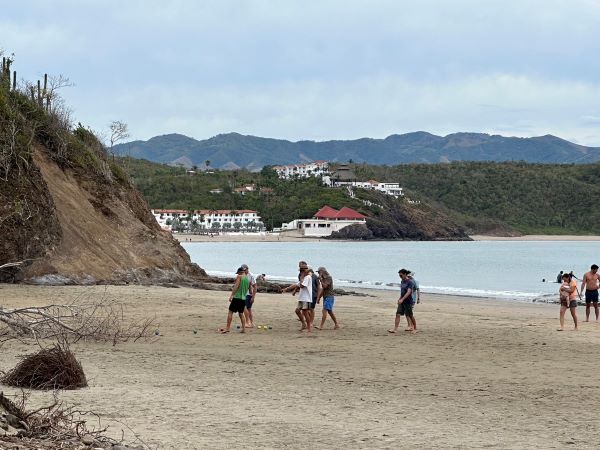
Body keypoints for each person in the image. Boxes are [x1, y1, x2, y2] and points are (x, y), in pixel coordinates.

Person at [282, 261, 313, 332]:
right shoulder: (304, 278)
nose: (300, 273)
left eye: (301, 272)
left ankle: (309, 328)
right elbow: (296, 284)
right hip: (302, 298)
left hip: (306, 298)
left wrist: (302, 278)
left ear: (303, 271)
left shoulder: (307, 277)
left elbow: (302, 286)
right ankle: (303, 324)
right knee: (297, 311)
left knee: (305, 312)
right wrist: (286, 289)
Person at [221, 267, 249, 334]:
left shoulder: (239, 277)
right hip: (243, 298)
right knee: (241, 314)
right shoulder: (247, 278)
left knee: (230, 312)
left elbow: (236, 286)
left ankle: (227, 328)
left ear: (239, 272)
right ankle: (244, 329)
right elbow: (248, 288)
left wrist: (231, 295)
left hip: (237, 297)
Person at [388, 269, 417, 334]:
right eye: (399, 275)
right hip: (402, 301)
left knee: (410, 315)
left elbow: (408, 292)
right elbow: (402, 292)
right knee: (397, 314)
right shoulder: (402, 281)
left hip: (408, 301)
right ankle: (395, 329)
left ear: (405, 274)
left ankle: (415, 328)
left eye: (401, 275)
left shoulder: (410, 282)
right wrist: (400, 298)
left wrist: (402, 299)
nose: (400, 276)